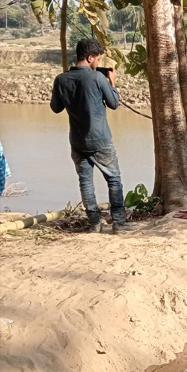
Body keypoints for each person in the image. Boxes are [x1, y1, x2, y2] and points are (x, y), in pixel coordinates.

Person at [50, 39, 130, 233]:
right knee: (114, 179)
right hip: (100, 140)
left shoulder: (61, 79)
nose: (98, 63)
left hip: (77, 141)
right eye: (98, 58)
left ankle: (94, 224)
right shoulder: (97, 78)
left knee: (85, 182)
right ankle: (118, 223)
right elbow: (113, 103)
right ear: (90, 57)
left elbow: (55, 108)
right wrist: (112, 84)